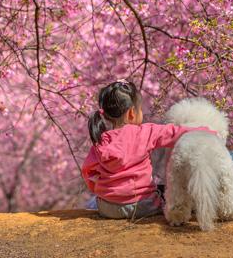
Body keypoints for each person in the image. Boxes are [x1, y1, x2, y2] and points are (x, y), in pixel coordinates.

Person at [82, 79, 216, 219]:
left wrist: (97, 188)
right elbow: (174, 132)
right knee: (165, 192)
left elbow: (87, 171)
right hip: (143, 205)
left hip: (107, 207)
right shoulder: (145, 132)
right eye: (140, 108)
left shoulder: (100, 141)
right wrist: (206, 130)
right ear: (131, 113)